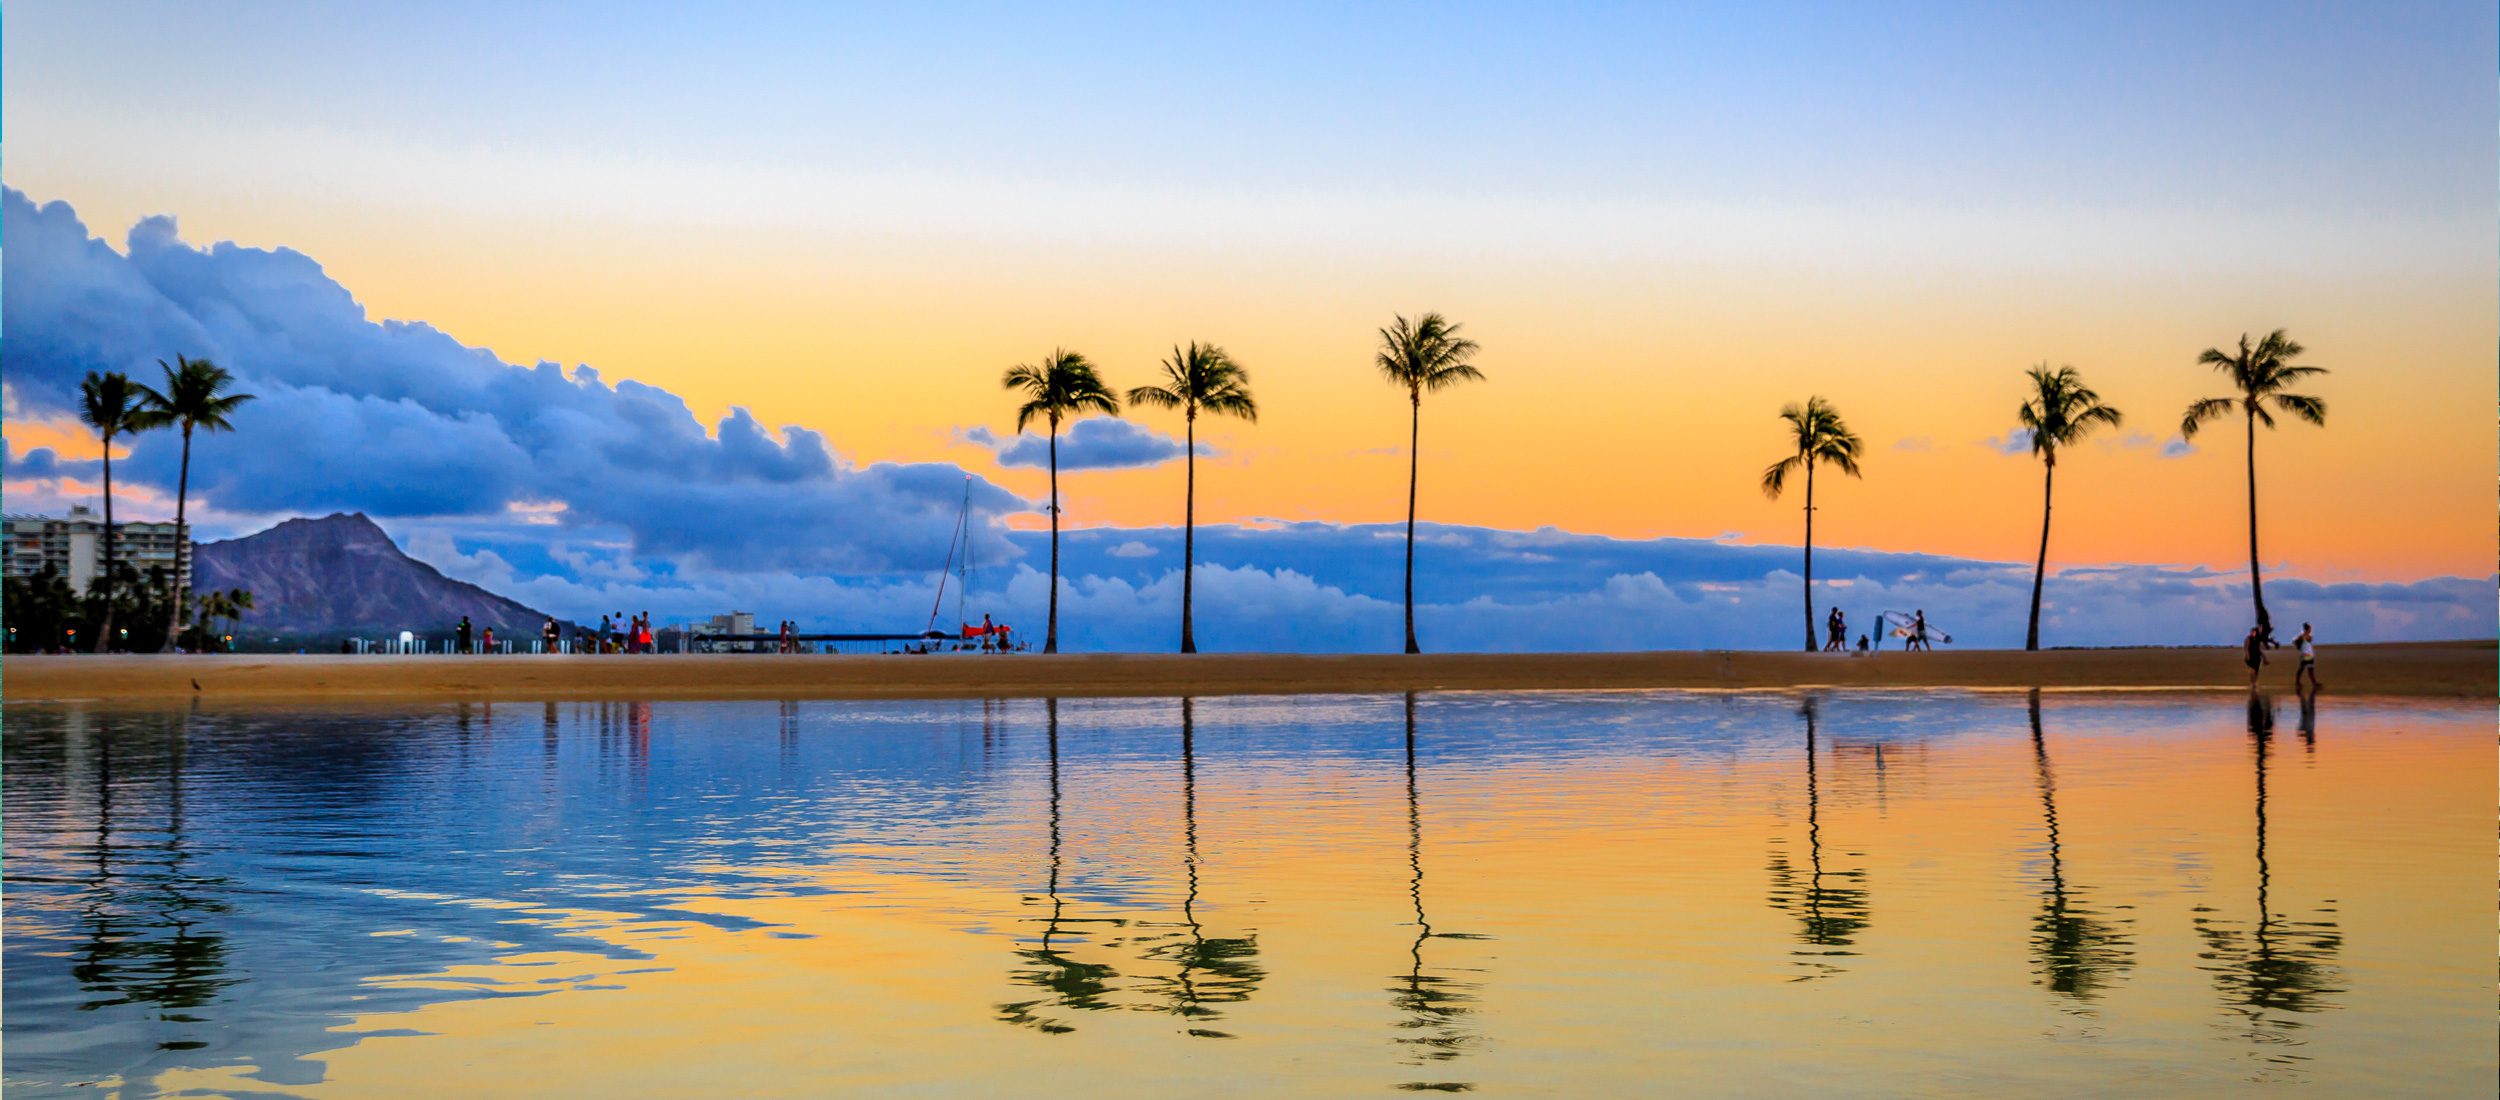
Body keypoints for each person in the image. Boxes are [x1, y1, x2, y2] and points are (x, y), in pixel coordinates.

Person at [2292, 622, 2322, 695]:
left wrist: (2299, 644)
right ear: (2307, 628)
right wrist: (2299, 645)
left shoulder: (2306, 636)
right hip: (2305, 655)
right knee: (2303, 670)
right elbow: (2295, 642)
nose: (2310, 629)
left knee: (2308, 670)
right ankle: (2298, 682)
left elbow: (2298, 641)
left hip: (2309, 655)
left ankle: (2313, 683)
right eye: (2310, 628)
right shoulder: (2303, 636)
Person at [2243, 624, 2268, 690]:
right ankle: (2253, 683)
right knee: (2252, 670)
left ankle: (2254, 682)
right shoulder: (2248, 638)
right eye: (2252, 632)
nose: (2253, 633)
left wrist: (2264, 657)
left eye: (2254, 632)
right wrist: (2247, 655)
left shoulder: (2258, 639)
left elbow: (2260, 649)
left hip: (2257, 657)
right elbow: (2246, 648)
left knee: (2256, 671)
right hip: (2250, 657)